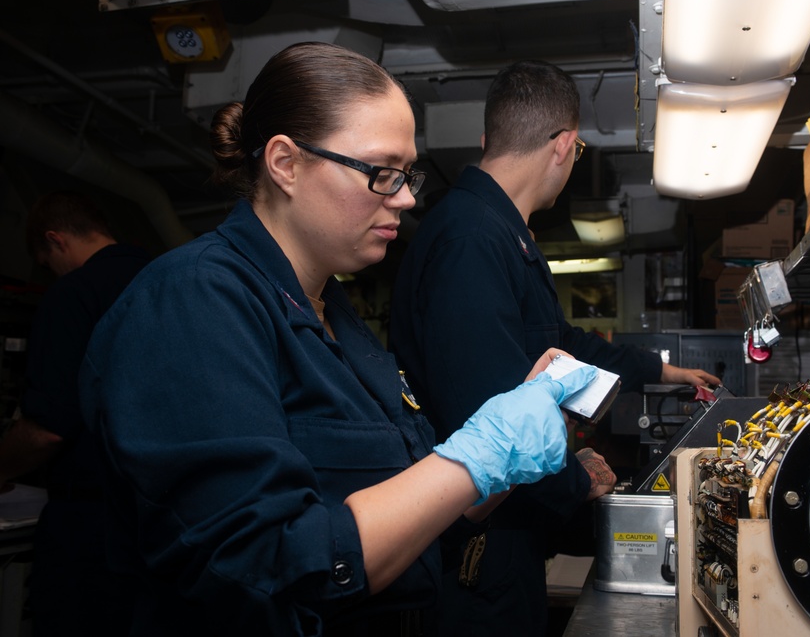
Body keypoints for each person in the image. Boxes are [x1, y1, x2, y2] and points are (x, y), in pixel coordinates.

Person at [77, 42, 597, 637]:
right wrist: (479, 454)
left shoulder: (337, 317)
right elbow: (269, 565)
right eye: (381, 173)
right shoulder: (193, 301)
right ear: (286, 164)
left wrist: (501, 452)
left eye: (408, 175)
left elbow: (421, 519)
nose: (405, 197)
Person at [389, 59, 721, 636]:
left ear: (490, 138)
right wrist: (574, 479)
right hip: (477, 547)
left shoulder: (500, 231)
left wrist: (666, 371)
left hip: (506, 523)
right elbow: (489, 423)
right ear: (565, 146)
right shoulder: (472, 239)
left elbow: (561, 344)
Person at [0, 190, 150, 636]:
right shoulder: (172, 279)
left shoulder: (73, 295)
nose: (51, 273)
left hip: (91, 526)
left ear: (56, 240)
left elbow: (48, 429)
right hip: (164, 523)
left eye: (47, 263)